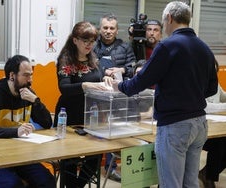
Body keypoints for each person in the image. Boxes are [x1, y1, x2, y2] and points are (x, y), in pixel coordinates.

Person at [112, 1, 218, 188]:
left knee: (171, 183)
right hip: (200, 124)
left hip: (175, 125)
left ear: (169, 18)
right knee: (190, 182)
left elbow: (141, 81)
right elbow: (212, 89)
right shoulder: (204, 47)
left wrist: (119, 86)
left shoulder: (167, 46)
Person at [0, 55, 56, 188]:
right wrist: (15, 131)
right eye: (26, 75)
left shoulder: (28, 93)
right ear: (12, 75)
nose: (30, 80)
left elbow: (47, 123)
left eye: (31, 75)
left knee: (47, 180)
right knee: (13, 184)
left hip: (20, 156)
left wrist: (36, 101)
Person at [54, 21, 111, 188]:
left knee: (94, 158)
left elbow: (98, 78)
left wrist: (105, 78)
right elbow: (64, 88)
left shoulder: (93, 57)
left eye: (92, 41)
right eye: (85, 41)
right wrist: (85, 86)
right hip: (69, 115)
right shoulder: (66, 59)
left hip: (91, 114)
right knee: (70, 161)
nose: (89, 45)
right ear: (75, 40)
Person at [93, 13, 136, 182]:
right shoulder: (93, 46)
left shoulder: (125, 47)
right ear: (99, 29)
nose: (108, 31)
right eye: (105, 28)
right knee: (96, 131)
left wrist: (122, 70)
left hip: (118, 96)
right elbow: (87, 67)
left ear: (117, 30)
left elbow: (134, 67)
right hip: (95, 95)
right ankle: (92, 166)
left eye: (112, 28)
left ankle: (111, 167)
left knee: (116, 130)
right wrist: (103, 72)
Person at [199, 59, 226, 188]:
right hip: (198, 130)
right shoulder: (196, 83)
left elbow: (223, 96)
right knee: (220, 142)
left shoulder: (215, 83)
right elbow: (205, 106)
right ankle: (209, 176)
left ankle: (206, 173)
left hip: (214, 127)